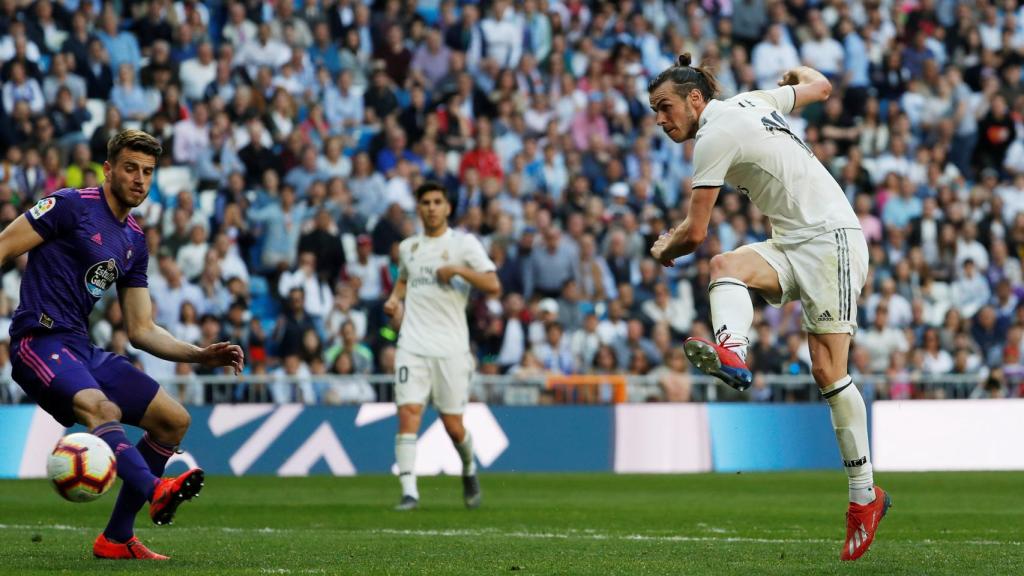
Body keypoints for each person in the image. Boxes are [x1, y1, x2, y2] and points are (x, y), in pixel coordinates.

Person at [648, 54, 890, 561]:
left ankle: (865, 496)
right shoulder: (754, 100)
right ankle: (733, 353)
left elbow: (695, 232)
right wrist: (798, 73)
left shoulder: (713, 135)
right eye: (654, 111)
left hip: (831, 241)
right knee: (727, 267)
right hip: (793, 240)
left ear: (695, 99)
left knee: (828, 371)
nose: (661, 119)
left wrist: (664, 247)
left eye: (665, 107)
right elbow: (821, 87)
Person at [0, 130, 244, 560]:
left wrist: (199, 354)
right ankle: (156, 490)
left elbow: (141, 329)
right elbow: (3, 247)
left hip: (81, 347)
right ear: (108, 170)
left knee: (172, 420)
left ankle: (116, 538)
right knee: (103, 409)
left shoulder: (133, 239)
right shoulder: (70, 205)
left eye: (148, 172)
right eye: (131, 168)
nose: (139, 179)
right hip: (38, 340)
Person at [382, 181, 501, 511]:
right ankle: (409, 492)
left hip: (451, 349)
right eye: (426, 203)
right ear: (419, 209)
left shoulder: (464, 244)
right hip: (412, 345)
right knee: (408, 414)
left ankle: (469, 468)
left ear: (447, 208)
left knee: (453, 426)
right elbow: (404, 279)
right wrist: (394, 300)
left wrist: (459, 270)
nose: (432, 208)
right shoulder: (408, 247)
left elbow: (493, 284)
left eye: (437, 202)